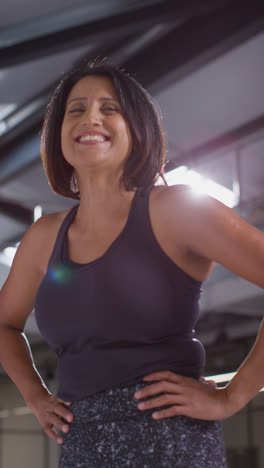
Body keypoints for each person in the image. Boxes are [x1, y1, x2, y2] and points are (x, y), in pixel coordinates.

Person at [0, 57, 264, 468]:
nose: (91, 117)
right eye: (76, 109)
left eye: (110, 108)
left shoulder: (177, 209)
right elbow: (4, 324)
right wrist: (35, 396)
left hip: (169, 442)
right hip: (81, 445)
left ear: (136, 130)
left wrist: (235, 394)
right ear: (59, 135)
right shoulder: (42, 238)